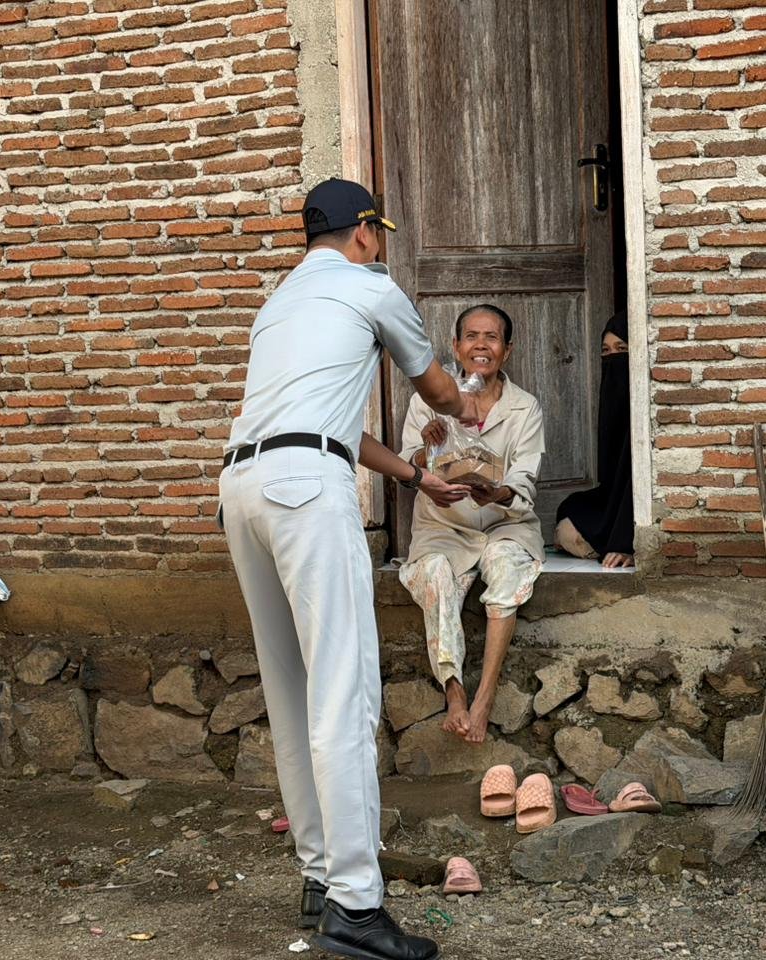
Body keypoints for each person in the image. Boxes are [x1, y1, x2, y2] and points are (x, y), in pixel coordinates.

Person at [220, 178, 475, 960]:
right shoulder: (370, 287)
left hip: (242, 488)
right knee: (345, 693)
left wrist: (409, 475)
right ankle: (358, 910)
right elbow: (434, 382)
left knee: (292, 692)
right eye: (379, 231)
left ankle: (322, 876)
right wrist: (462, 407)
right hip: (305, 494)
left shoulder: (280, 305)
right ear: (363, 231)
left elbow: (316, 423)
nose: (382, 244)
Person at [398, 304, 545, 744]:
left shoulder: (523, 408)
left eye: (493, 338)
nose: (482, 345)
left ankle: (483, 700)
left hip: (505, 524)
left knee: (505, 564)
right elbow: (408, 466)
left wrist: (496, 492)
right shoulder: (427, 401)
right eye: (472, 337)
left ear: (507, 349)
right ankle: (455, 694)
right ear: (457, 346)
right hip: (443, 525)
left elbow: (523, 477)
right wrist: (427, 452)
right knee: (437, 574)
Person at [554, 309, 634, 569]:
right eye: (605, 351)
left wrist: (625, 544)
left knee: (571, 534)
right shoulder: (615, 400)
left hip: (631, 518)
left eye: (621, 348)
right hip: (614, 504)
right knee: (571, 510)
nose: (612, 359)